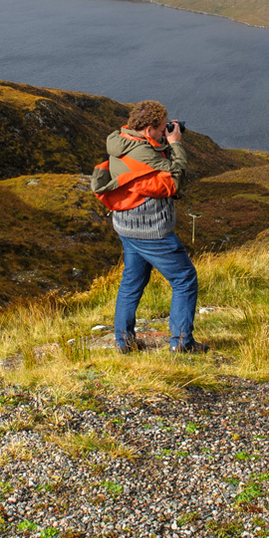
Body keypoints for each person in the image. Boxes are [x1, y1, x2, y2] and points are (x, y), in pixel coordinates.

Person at [89, 100, 208, 353]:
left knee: (132, 282)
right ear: (149, 128)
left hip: (126, 226)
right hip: (151, 230)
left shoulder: (122, 140)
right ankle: (182, 344)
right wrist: (175, 143)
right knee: (185, 279)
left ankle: (124, 342)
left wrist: (163, 141)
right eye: (163, 127)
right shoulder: (143, 153)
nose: (167, 129)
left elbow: (150, 156)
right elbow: (176, 176)